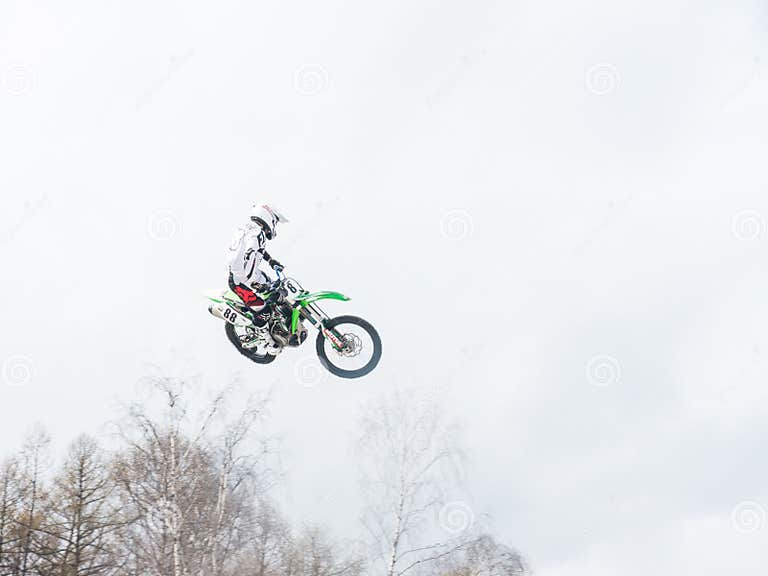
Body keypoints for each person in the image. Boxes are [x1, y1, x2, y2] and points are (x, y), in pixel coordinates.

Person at [227, 204, 289, 349]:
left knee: (277, 291)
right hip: (241, 281)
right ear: (268, 218)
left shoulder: (249, 229)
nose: (274, 226)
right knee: (265, 310)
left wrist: (271, 261)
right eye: (275, 222)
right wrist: (257, 284)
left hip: (248, 275)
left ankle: (278, 324)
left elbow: (257, 250)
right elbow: (250, 253)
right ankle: (268, 341)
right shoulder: (257, 234)